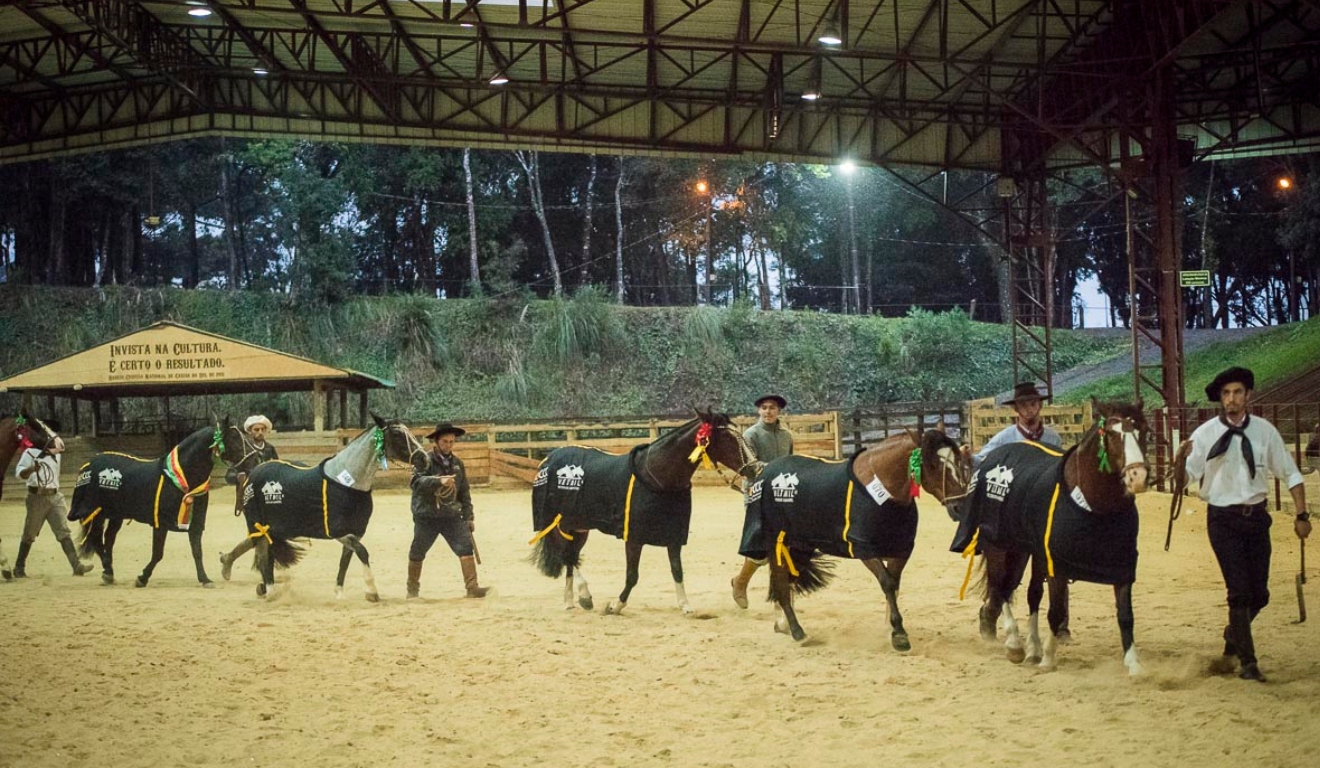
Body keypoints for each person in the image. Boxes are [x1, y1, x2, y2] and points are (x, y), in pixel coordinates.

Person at [1182, 366, 1311, 682]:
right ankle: (1248, 664)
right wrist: (1177, 461)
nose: (1231, 399)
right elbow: (1185, 476)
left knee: (1260, 595)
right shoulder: (1204, 435)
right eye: (1226, 394)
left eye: (1237, 392)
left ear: (1248, 395)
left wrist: (1302, 513)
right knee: (1238, 591)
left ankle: (1233, 635)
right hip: (1222, 520)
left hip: (1257, 519)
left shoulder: (1265, 432)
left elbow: (1290, 473)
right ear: (1221, 399)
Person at [407, 422, 488, 599]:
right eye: (445, 441)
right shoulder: (423, 460)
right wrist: (438, 481)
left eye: (452, 442)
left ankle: (472, 587)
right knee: (418, 551)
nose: (449, 445)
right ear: (436, 441)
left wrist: (468, 516)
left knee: (465, 548)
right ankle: (412, 590)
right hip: (427, 515)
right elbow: (415, 483)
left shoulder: (458, 463)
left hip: (451, 515)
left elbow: (464, 491)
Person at [730, 394, 794, 608]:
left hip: (784, 493)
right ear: (758, 411)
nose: (768, 411)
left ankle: (780, 596)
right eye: (764, 408)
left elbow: (791, 463)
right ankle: (741, 582)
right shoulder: (751, 435)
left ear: (779, 411)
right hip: (758, 493)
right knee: (762, 545)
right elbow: (750, 467)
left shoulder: (787, 435)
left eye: (772, 408)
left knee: (785, 543)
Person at [12, 419, 92, 578]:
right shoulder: (30, 453)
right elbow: (20, 474)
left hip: (55, 495)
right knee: (30, 533)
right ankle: (19, 567)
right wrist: (31, 469)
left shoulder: (56, 454)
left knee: (63, 531)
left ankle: (76, 565)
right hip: (37, 496)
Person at [218, 415, 280, 580]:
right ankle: (266, 575)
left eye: (262, 429)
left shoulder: (270, 449)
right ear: (250, 432)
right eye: (256, 430)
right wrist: (239, 477)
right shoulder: (242, 449)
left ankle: (230, 558)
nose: (259, 432)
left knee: (267, 533)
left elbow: (278, 469)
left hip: (268, 496)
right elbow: (230, 473)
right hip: (249, 497)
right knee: (258, 533)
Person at [968, 381, 1063, 469]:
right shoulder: (1004, 438)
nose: (1029, 410)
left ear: (1040, 405)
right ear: (1016, 409)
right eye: (1023, 405)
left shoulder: (1053, 438)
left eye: (1033, 404)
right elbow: (982, 460)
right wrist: (967, 458)